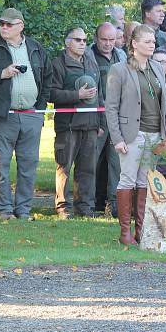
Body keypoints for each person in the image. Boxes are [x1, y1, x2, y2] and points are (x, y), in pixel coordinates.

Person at [105, 24, 166, 245]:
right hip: (131, 135)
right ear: (134, 44)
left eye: (153, 41)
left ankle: (141, 230)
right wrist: (117, 139)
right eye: (147, 41)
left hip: (155, 135)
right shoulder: (119, 70)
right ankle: (125, 233)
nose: (152, 44)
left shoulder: (157, 67)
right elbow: (111, 107)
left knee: (144, 182)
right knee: (127, 180)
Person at [0, 8, 52, 221]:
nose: (4, 27)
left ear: (21, 26)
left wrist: (39, 107)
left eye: (9, 24)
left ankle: (24, 210)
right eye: (2, 24)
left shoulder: (35, 48)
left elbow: (47, 77)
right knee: (0, 165)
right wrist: (2, 73)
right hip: (3, 117)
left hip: (31, 115)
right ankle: (4, 209)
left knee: (29, 165)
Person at [50, 27, 102, 219]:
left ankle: (85, 208)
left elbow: (100, 94)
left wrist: (100, 121)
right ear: (67, 42)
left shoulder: (91, 62)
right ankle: (62, 207)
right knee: (64, 166)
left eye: (85, 40)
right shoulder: (58, 64)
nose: (82, 43)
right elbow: (51, 93)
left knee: (88, 169)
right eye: (78, 40)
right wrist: (76, 95)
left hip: (90, 125)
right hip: (68, 125)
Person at [92, 22, 127, 217]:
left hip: (117, 119)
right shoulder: (89, 57)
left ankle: (114, 207)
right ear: (96, 38)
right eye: (104, 39)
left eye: (111, 40)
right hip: (97, 118)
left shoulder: (121, 56)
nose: (107, 43)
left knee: (117, 165)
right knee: (91, 164)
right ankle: (88, 206)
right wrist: (97, 120)